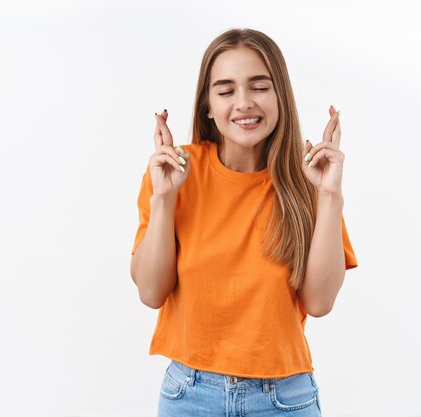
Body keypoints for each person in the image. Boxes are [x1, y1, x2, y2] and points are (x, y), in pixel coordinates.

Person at [129, 28, 358, 417]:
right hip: (190, 395)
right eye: (225, 90)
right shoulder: (174, 171)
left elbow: (319, 303)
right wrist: (165, 198)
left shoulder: (308, 179)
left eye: (259, 86)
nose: (244, 103)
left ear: (281, 96)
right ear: (207, 106)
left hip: (283, 399)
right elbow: (151, 293)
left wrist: (330, 195)